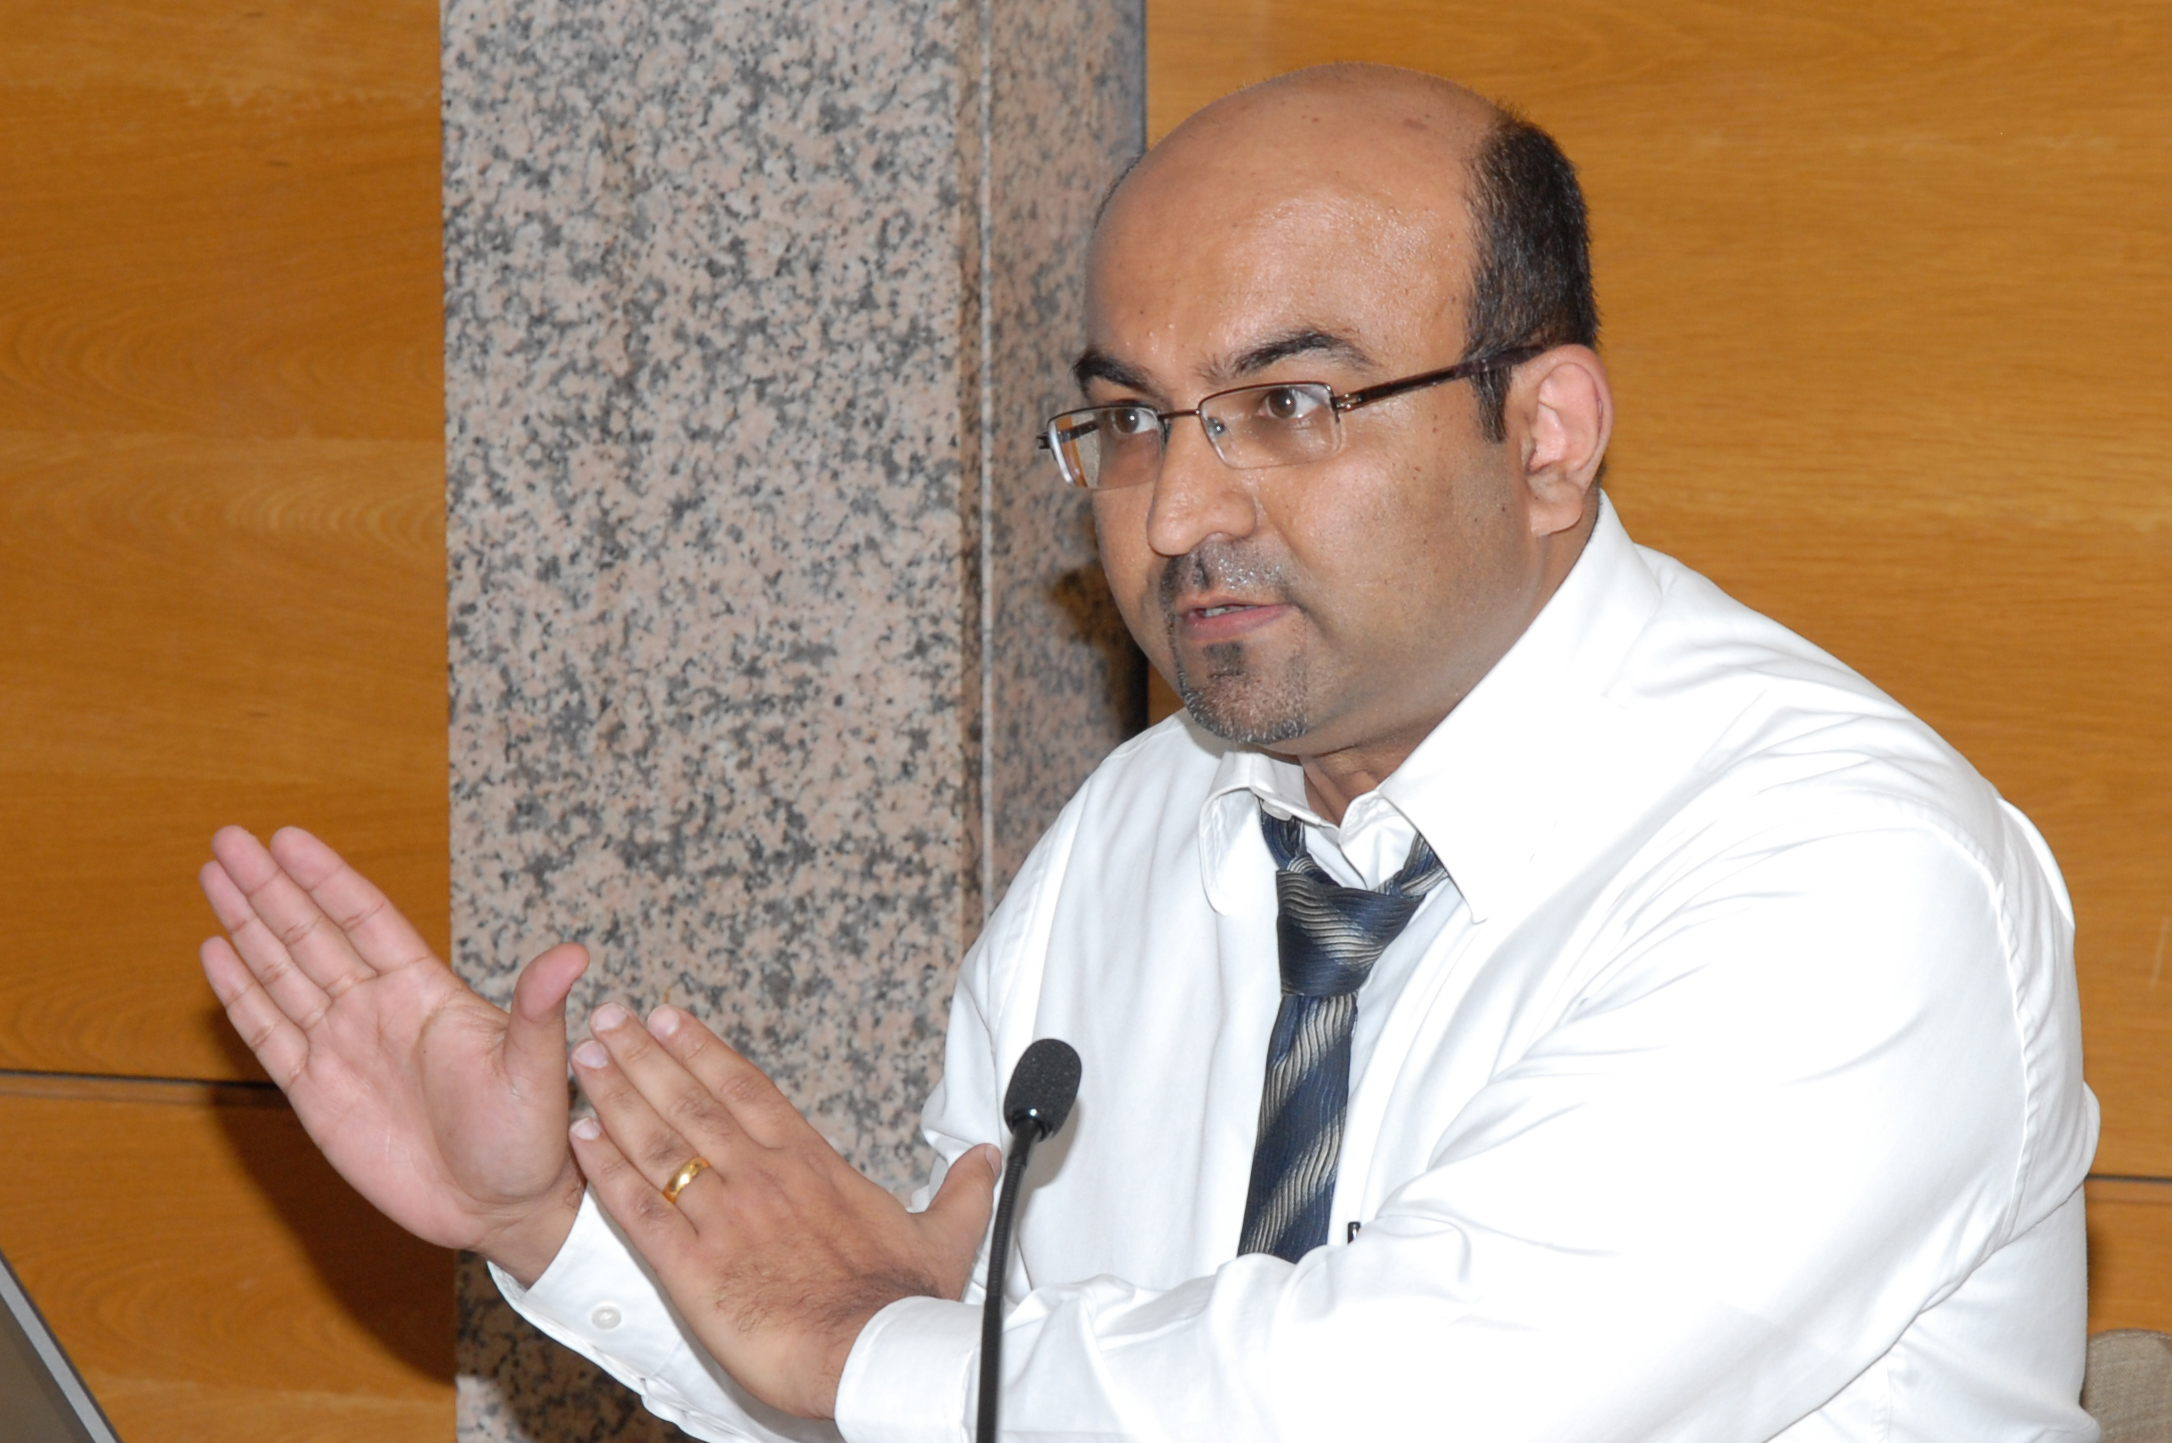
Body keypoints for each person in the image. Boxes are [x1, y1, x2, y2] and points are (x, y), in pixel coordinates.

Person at [196, 63, 2097, 1443]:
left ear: (1549, 430)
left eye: (1291, 402)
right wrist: (557, 1224)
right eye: (1125, 423)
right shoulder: (1139, 830)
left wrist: (853, 1335)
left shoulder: (1842, 875)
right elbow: (986, 1415)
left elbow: (1388, 1413)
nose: (1178, 513)